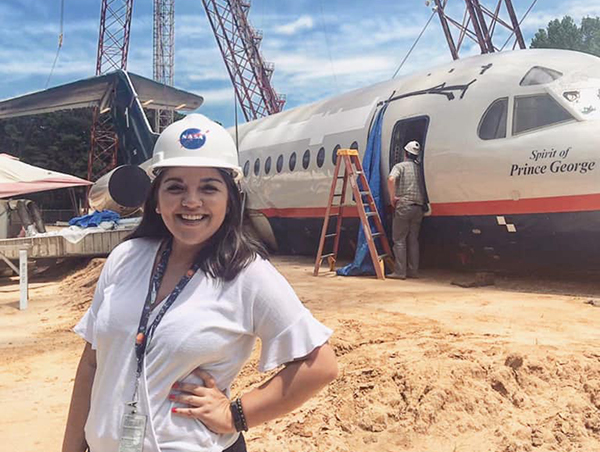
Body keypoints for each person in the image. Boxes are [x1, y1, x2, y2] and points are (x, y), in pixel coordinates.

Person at [62, 114, 338, 452]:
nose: (191, 201)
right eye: (175, 187)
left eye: (209, 187)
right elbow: (92, 362)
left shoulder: (246, 274)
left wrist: (236, 414)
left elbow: (320, 364)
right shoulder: (125, 259)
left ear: (229, 199)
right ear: (157, 200)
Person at [387, 140, 426, 280]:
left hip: (404, 206)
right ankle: (413, 271)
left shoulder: (400, 166)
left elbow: (391, 179)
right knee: (413, 240)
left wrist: (392, 198)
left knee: (399, 239)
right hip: (418, 208)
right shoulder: (420, 169)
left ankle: (399, 272)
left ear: (405, 153)